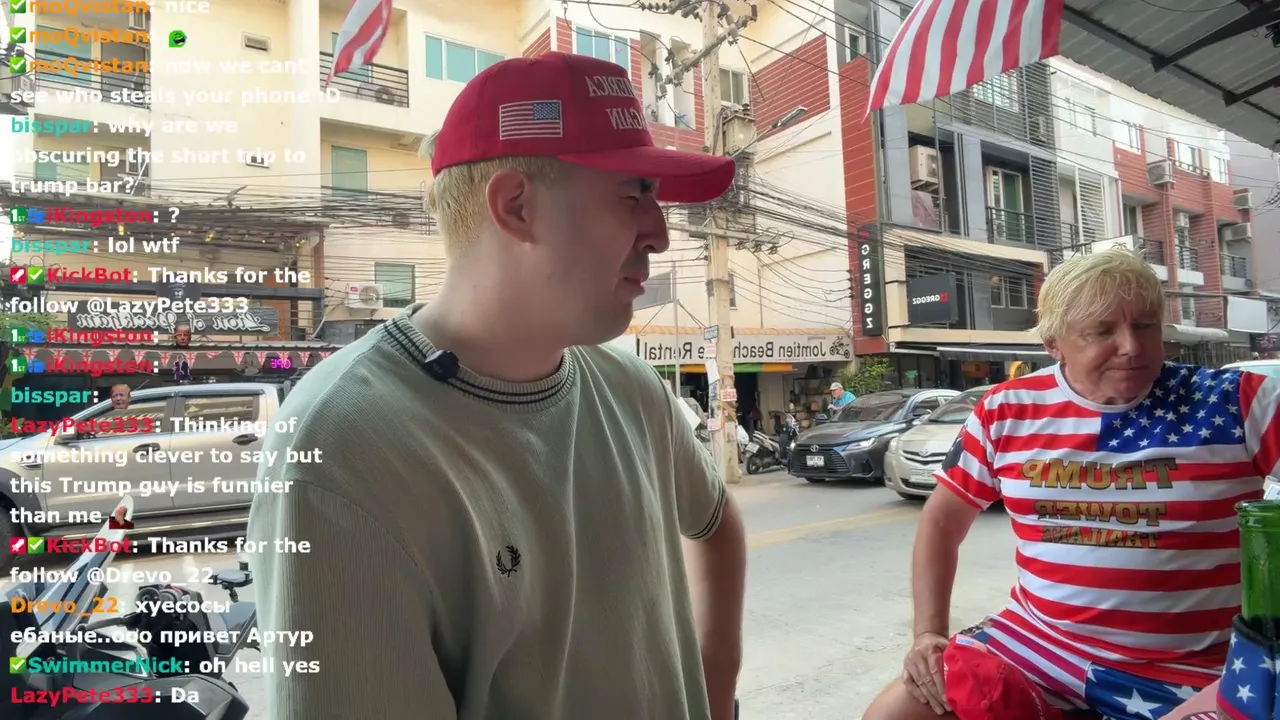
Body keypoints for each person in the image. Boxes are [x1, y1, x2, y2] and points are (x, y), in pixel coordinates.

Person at [245, 52, 747, 720]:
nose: (657, 234)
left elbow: (716, 524)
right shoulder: (340, 452)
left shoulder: (632, 388)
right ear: (516, 206)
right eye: (633, 194)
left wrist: (715, 696)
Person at [862, 248, 1280, 720]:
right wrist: (928, 633)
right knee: (891, 714)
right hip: (1035, 643)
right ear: (1053, 343)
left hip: (1198, 665)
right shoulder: (1005, 410)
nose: (1131, 346)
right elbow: (942, 521)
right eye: (1102, 331)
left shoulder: (1237, 403)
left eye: (1145, 326)